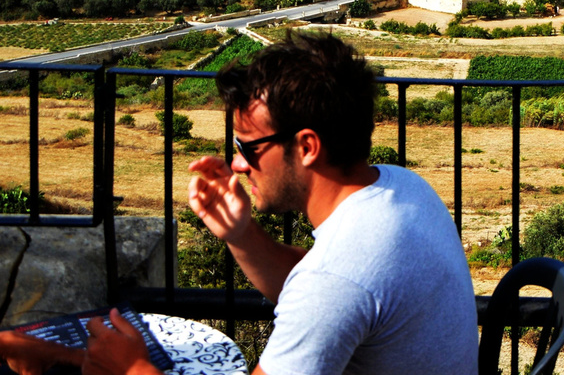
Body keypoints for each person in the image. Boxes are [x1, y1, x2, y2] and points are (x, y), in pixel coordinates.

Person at [81, 32, 479, 375]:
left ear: (307, 146)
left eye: (247, 146)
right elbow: (331, 288)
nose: (236, 163)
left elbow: (332, 288)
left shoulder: (335, 279)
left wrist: (133, 368)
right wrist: (242, 235)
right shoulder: (406, 188)